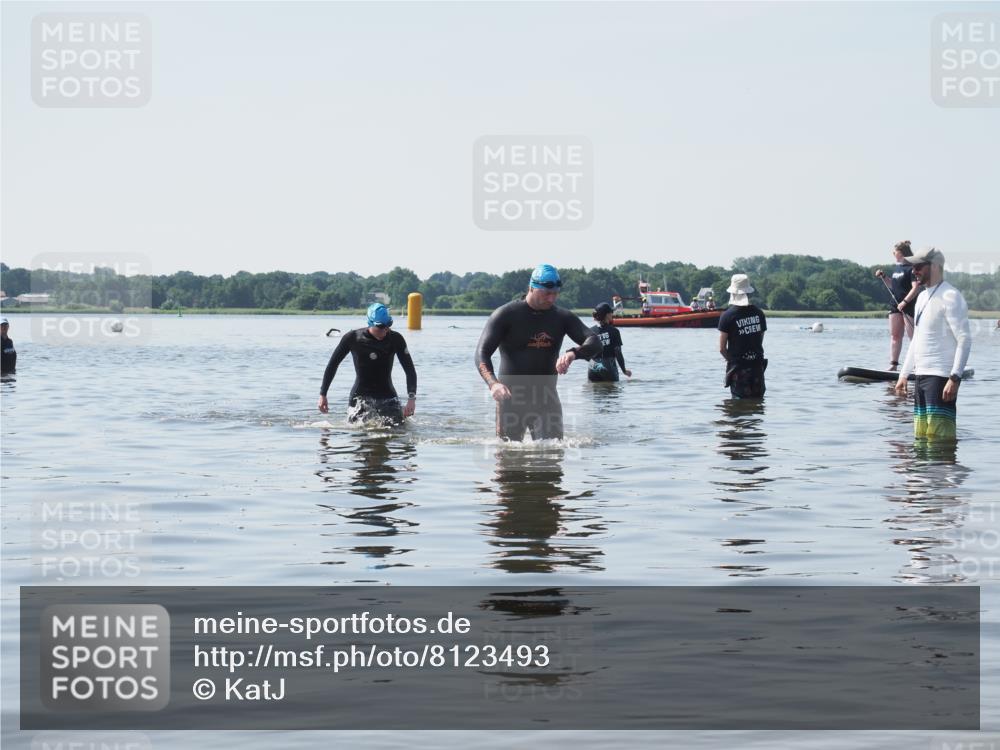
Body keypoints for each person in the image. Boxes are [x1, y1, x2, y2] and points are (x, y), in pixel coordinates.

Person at [475, 264, 601, 441]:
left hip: (546, 401)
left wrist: (574, 353)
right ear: (531, 288)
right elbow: (482, 353)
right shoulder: (505, 315)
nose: (551, 298)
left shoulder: (561, 317)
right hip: (510, 400)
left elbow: (595, 342)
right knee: (507, 455)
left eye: (555, 293)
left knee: (553, 454)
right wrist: (493, 384)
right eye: (547, 293)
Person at [894, 247, 971, 441]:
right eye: (913, 267)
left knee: (939, 442)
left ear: (935, 266)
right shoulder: (921, 297)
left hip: (941, 378)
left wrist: (955, 377)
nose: (914, 271)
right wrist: (904, 374)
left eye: (919, 266)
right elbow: (916, 339)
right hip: (920, 377)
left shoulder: (951, 296)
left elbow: (964, 339)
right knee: (920, 440)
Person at [318, 303, 416, 425]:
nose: (384, 330)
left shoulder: (396, 339)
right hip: (360, 398)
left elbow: (409, 369)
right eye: (380, 327)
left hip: (387, 396)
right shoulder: (353, 338)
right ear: (370, 323)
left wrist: (411, 398)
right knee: (359, 432)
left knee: (399, 430)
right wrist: (323, 394)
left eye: (388, 325)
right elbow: (332, 365)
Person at [717, 274, 767, 399]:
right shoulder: (759, 313)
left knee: (738, 405)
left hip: (739, 370)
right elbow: (759, 339)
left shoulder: (727, 316)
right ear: (748, 292)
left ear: (732, 293)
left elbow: (722, 349)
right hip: (757, 367)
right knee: (758, 403)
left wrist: (732, 361)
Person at [874, 240, 921, 370]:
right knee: (895, 335)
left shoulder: (912, 269)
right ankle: (893, 364)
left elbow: (916, 288)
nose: (893, 253)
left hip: (909, 305)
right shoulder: (897, 268)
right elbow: (893, 286)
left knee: (912, 337)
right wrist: (884, 277)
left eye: (894, 251)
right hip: (895, 305)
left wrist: (905, 302)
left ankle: (917, 365)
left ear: (901, 252)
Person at [587, 302, 631, 383]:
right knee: (612, 389)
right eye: (611, 312)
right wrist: (624, 370)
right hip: (608, 366)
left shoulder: (590, 331)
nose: (612, 314)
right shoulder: (614, 331)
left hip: (592, 366)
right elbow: (618, 352)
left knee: (594, 390)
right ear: (607, 315)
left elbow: (586, 351)